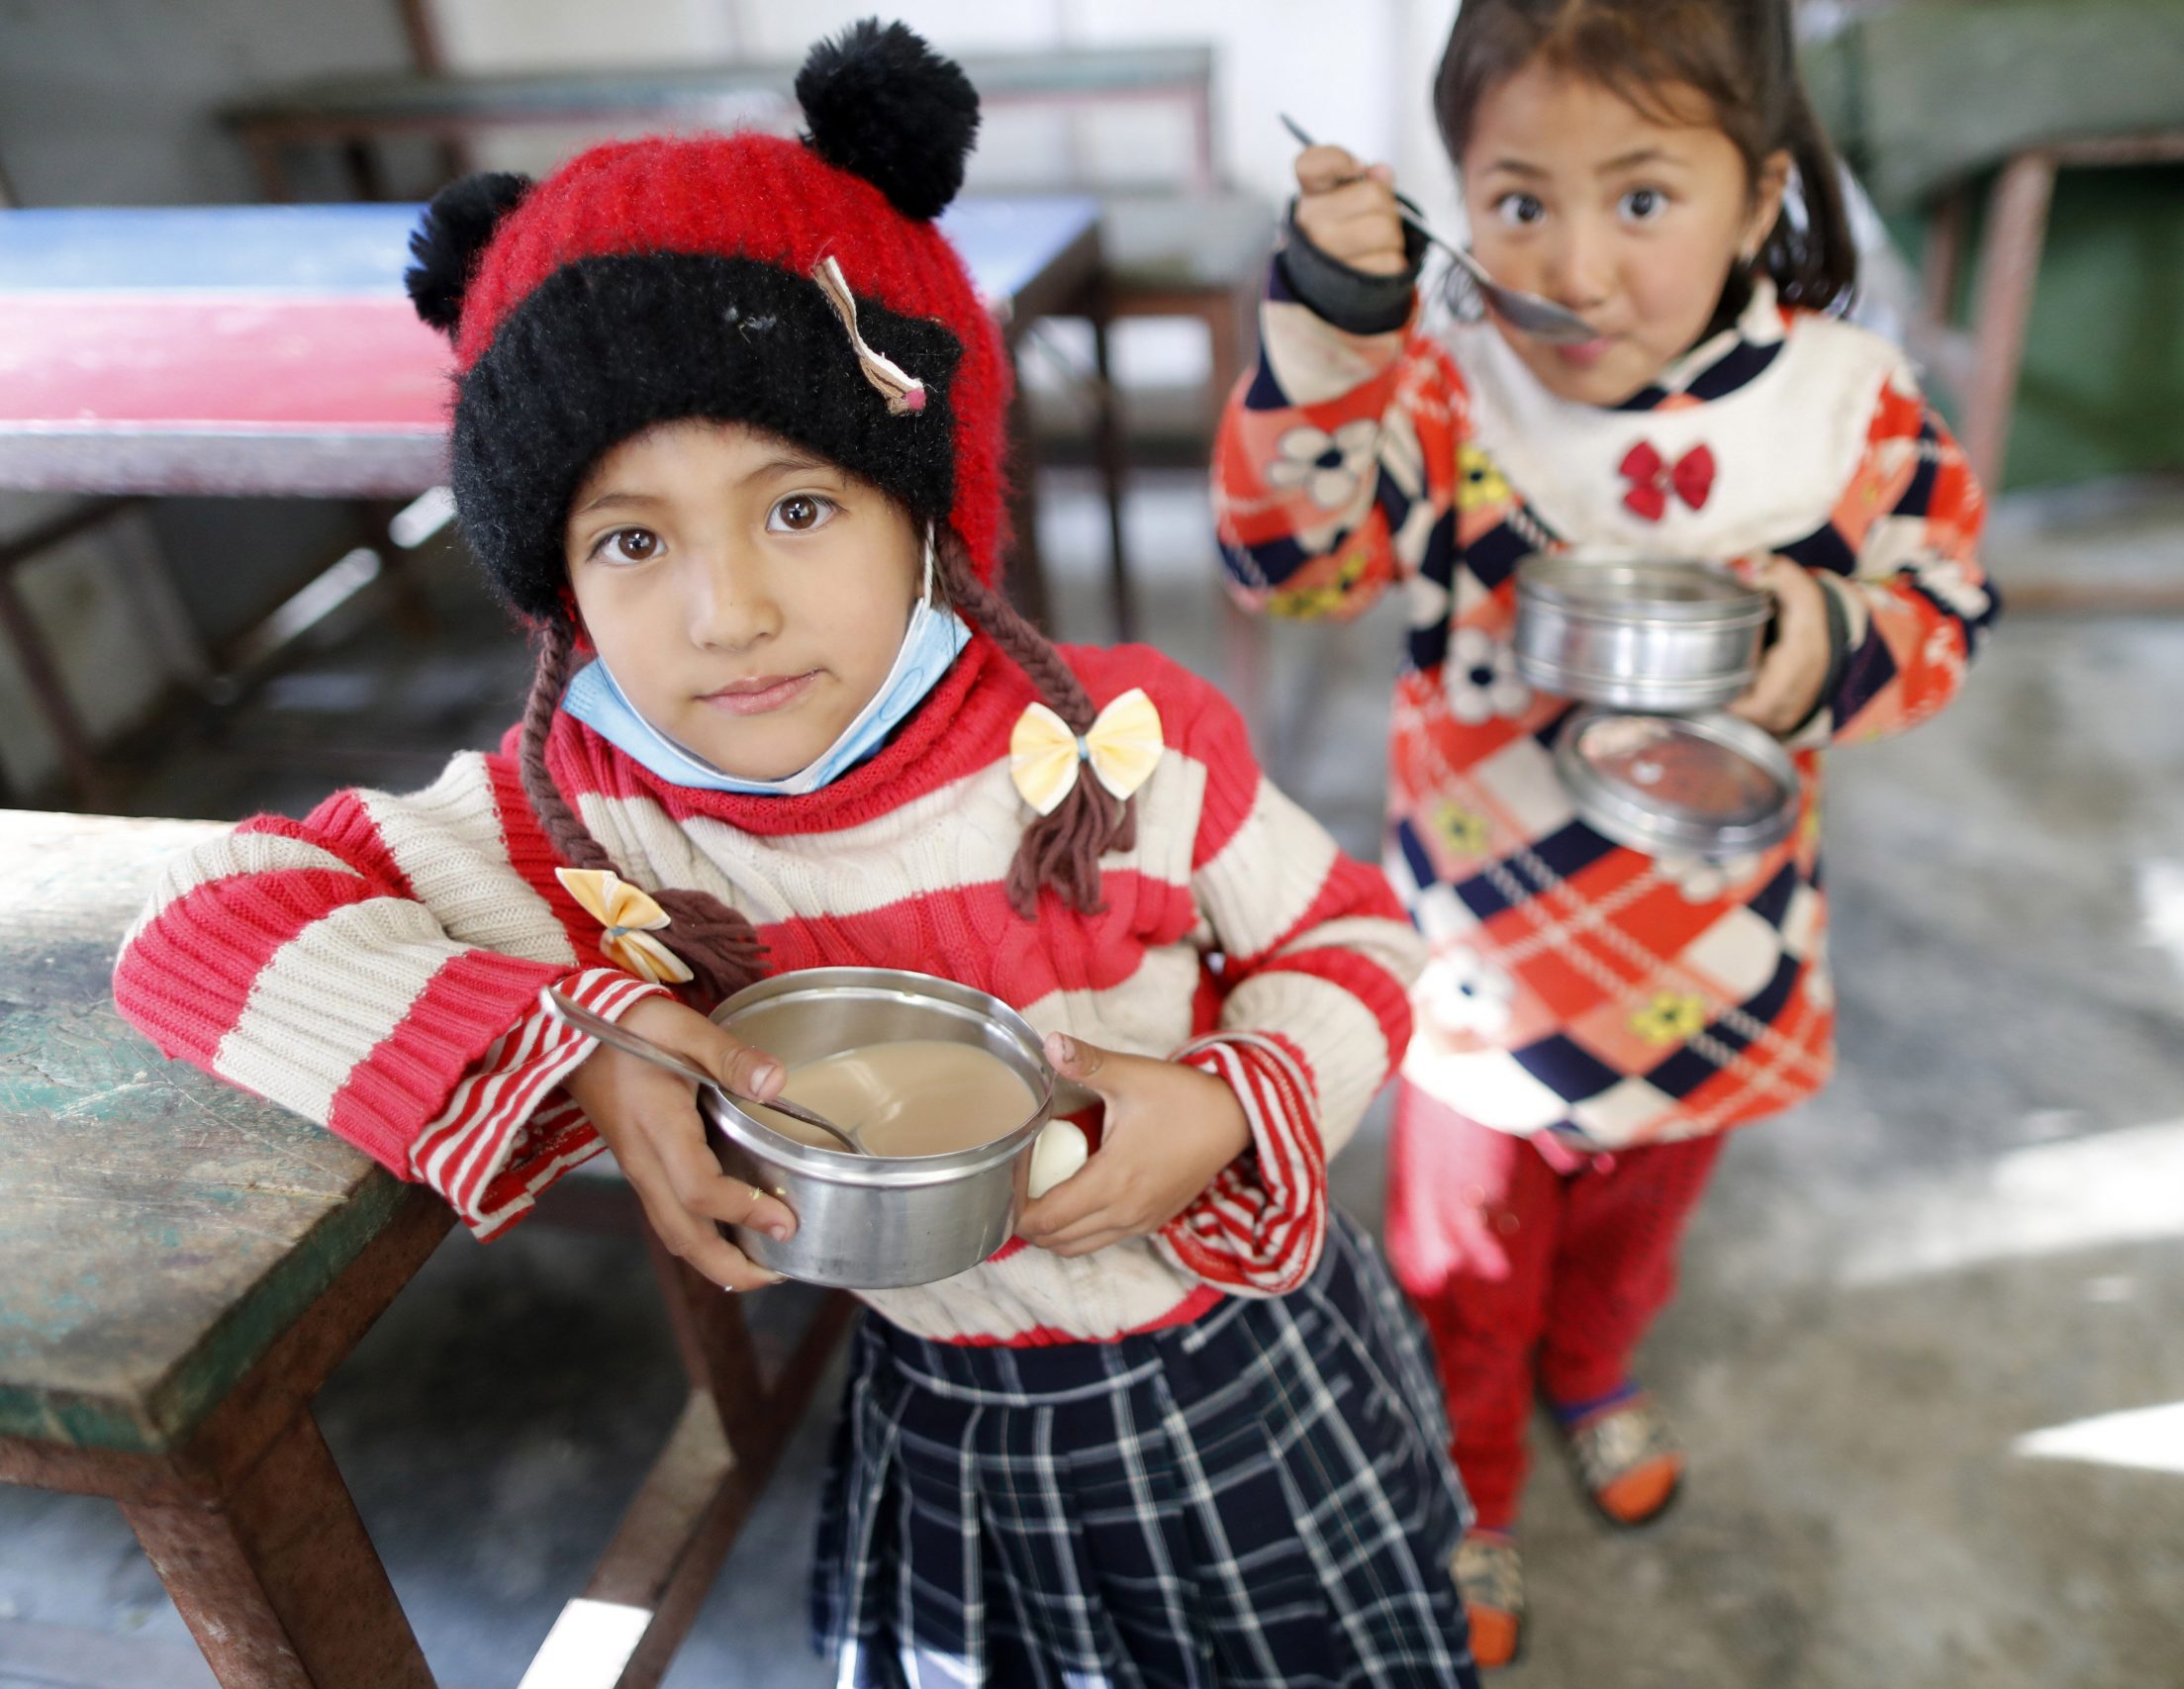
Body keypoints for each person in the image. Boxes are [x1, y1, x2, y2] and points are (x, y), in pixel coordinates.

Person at [114, 22, 1476, 1686]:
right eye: (631, 538)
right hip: (968, 1430)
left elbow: (1363, 947)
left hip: (1258, 1357)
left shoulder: (1134, 738)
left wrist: (1230, 1101)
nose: (729, 611)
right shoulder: (594, 819)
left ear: (930, 496)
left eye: (801, 506)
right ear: (557, 586)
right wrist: (581, 1050)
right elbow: (197, 924)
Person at [1212, 0, 1998, 1664]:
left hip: (1724, 942)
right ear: (1459, 200)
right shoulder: (1440, 393)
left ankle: (1597, 1371)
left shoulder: (1846, 406)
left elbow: (1946, 612)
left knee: (1643, 1217)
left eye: (1642, 199)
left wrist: (1815, 641)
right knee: (1462, 1258)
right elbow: (1292, 566)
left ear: (1757, 189)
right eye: (1516, 201)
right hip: (1485, 957)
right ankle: (1471, 1481)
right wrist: (1327, 332)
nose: (1572, 267)